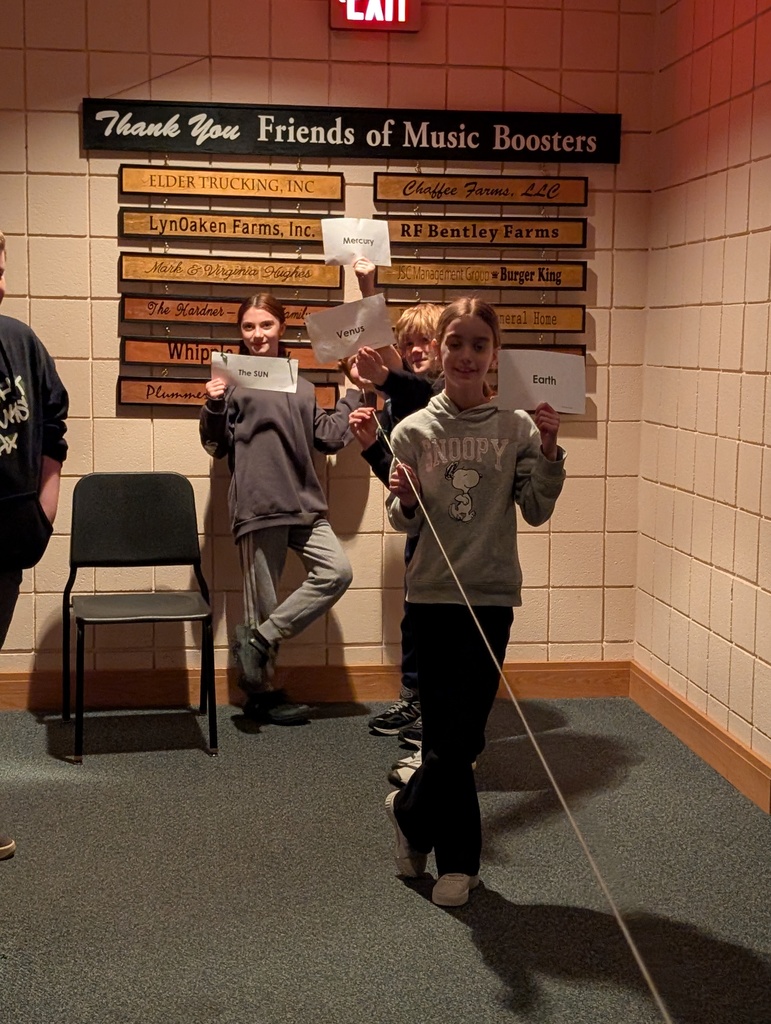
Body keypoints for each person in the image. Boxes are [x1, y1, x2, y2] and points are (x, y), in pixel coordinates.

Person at [383, 297, 566, 907]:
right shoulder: (412, 431)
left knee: (463, 739)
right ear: (439, 351)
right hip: (433, 598)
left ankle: (410, 815)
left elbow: (535, 510)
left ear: (495, 354)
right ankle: (460, 864)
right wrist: (404, 496)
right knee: (449, 739)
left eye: (478, 345)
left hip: (490, 598)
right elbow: (401, 520)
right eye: (455, 343)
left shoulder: (517, 428)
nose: (466, 355)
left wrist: (550, 452)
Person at [199, 293, 364, 725]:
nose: (257, 335)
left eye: (266, 325)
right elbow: (215, 445)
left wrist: (354, 393)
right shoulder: (231, 383)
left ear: (281, 328)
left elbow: (329, 437)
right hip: (259, 504)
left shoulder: (302, 386)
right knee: (263, 603)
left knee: (337, 572)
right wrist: (213, 404)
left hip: (304, 504)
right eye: (249, 327)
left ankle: (260, 639)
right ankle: (260, 695)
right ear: (241, 333)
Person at [349, 257, 441, 745]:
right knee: (415, 615)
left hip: (455, 527)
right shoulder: (399, 401)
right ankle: (415, 697)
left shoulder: (443, 392)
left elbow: (406, 379)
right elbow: (396, 475)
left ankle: (438, 709)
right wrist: (370, 447)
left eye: (426, 341)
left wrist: (369, 287)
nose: (415, 350)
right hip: (418, 525)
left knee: (442, 622)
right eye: (409, 343)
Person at [0, 230, 69, 861]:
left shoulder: (19, 341)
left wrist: (43, 512)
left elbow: (52, 425)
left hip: (7, 540)